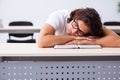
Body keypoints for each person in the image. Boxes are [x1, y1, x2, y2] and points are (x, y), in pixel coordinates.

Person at [37, 7, 119, 48]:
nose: (73, 31)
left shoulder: (93, 25)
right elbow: (41, 41)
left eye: (80, 32)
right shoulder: (59, 16)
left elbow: (118, 41)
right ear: (74, 17)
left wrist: (93, 41)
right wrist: (74, 38)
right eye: (75, 25)